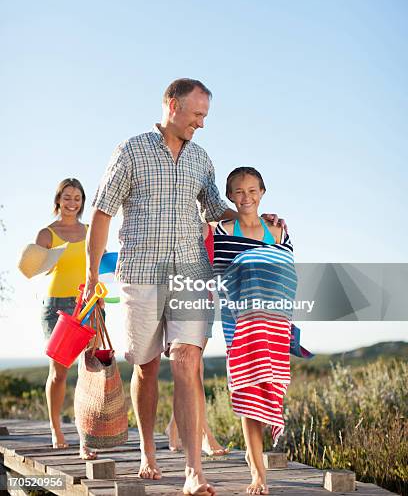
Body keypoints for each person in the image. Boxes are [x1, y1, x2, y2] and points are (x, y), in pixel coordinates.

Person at [85, 79, 285, 496]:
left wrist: (258, 223)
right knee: (146, 365)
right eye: (197, 114)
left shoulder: (200, 158)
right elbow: (102, 213)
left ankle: (194, 471)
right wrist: (90, 278)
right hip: (140, 273)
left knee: (187, 360)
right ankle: (147, 451)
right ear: (172, 106)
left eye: (205, 115)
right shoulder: (131, 151)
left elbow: (216, 208)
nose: (202, 123)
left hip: (193, 272)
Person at [214, 167, 296, 495]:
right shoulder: (221, 231)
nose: (246, 197)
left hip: (274, 324)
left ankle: (254, 455)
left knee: (268, 385)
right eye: (238, 191)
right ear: (230, 196)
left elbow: (288, 275)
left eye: (252, 191)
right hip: (240, 323)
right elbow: (218, 275)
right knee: (249, 389)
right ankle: (258, 472)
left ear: (262, 192)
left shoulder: (277, 231)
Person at [36, 178, 96, 460]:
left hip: (88, 304)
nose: (72, 203)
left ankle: (86, 437)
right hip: (57, 306)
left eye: (77, 198)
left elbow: (101, 262)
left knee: (90, 371)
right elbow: (34, 267)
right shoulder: (47, 233)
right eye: (67, 197)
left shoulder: (90, 231)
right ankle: (56, 429)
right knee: (59, 372)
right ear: (58, 199)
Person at [165, 222, 228, 457]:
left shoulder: (215, 230)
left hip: (206, 302)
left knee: (191, 370)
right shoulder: (176, 225)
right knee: (194, 369)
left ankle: (174, 427)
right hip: (179, 301)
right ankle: (204, 434)